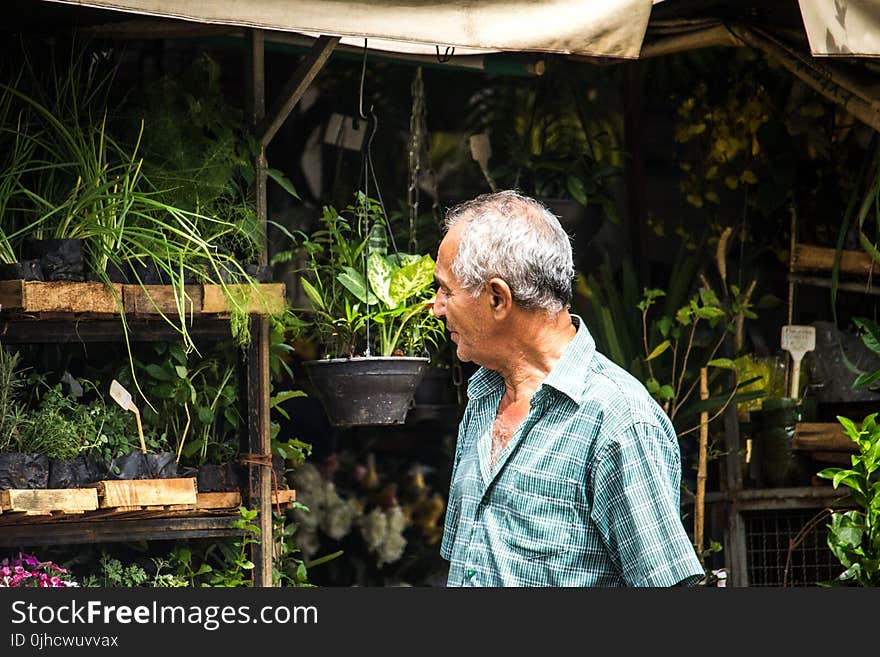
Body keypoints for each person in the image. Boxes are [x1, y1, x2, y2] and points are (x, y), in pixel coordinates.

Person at [432, 190, 705, 587]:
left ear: (497, 298)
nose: (437, 306)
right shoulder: (484, 397)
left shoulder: (618, 421)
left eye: (446, 290)